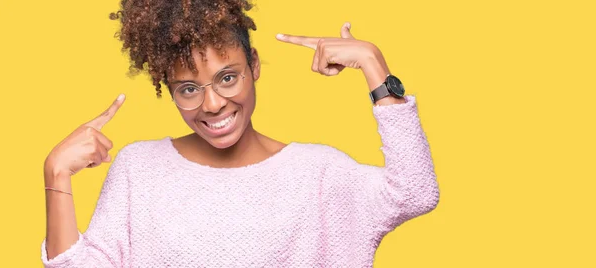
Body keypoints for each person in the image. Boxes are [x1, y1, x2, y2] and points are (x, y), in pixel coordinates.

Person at [40, 0, 440, 267]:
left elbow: (416, 192)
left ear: (254, 64)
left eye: (227, 78)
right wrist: (56, 175)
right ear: (170, 88)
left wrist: (374, 64)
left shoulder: (317, 174)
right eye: (189, 89)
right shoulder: (139, 169)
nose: (212, 104)